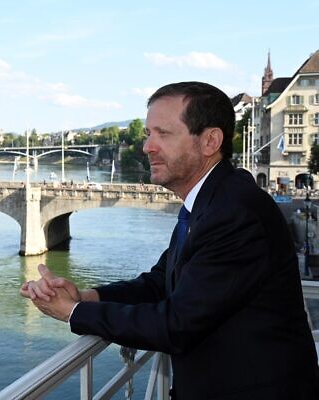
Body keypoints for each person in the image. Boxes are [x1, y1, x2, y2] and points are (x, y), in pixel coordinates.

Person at [21, 81, 319, 399]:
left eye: (163, 134)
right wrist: (87, 296)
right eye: (149, 134)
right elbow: (161, 282)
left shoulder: (234, 212)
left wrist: (73, 311)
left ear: (210, 141)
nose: (148, 146)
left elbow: (175, 325)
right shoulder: (212, 201)